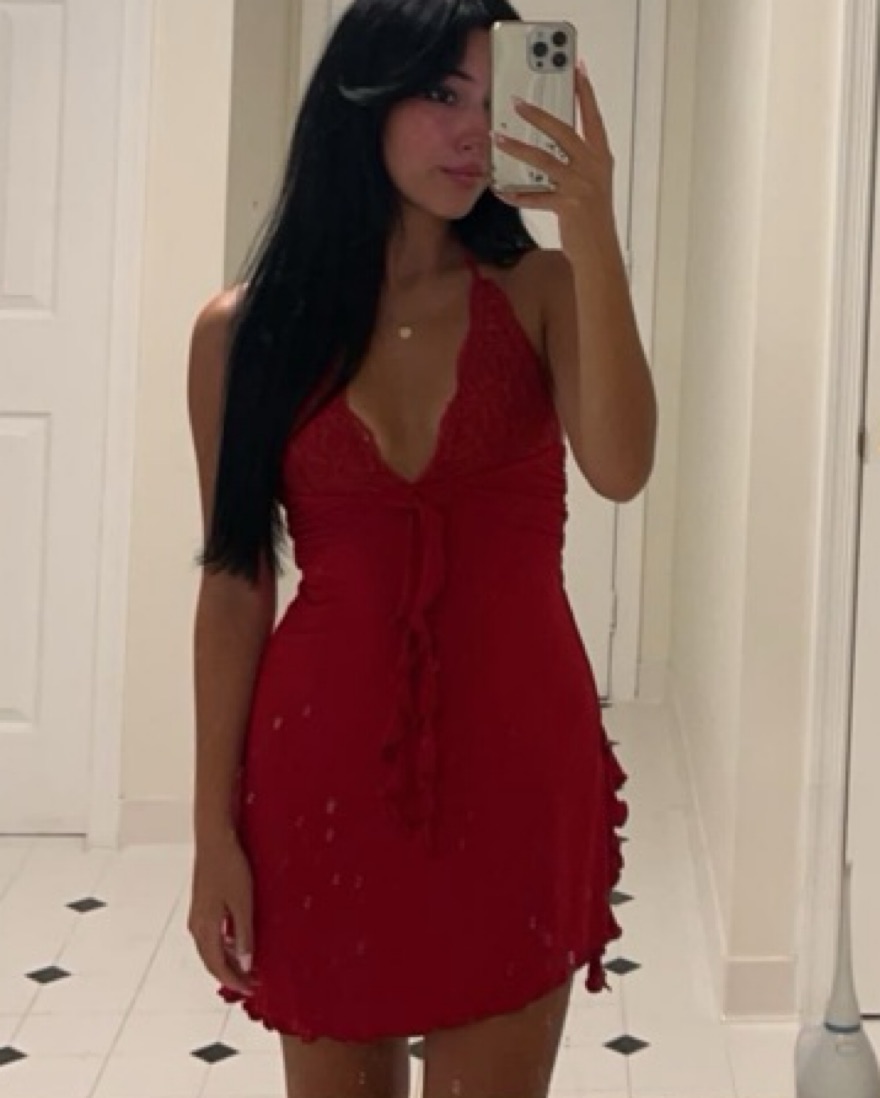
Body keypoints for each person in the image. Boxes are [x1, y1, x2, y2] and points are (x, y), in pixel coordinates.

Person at [186, 0, 657, 1095]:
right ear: (362, 98)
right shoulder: (244, 333)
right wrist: (212, 830)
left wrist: (590, 224)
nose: (473, 133)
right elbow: (234, 585)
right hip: (322, 772)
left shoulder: (541, 292)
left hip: (517, 765)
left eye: (497, 102)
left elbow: (622, 465)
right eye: (443, 94)